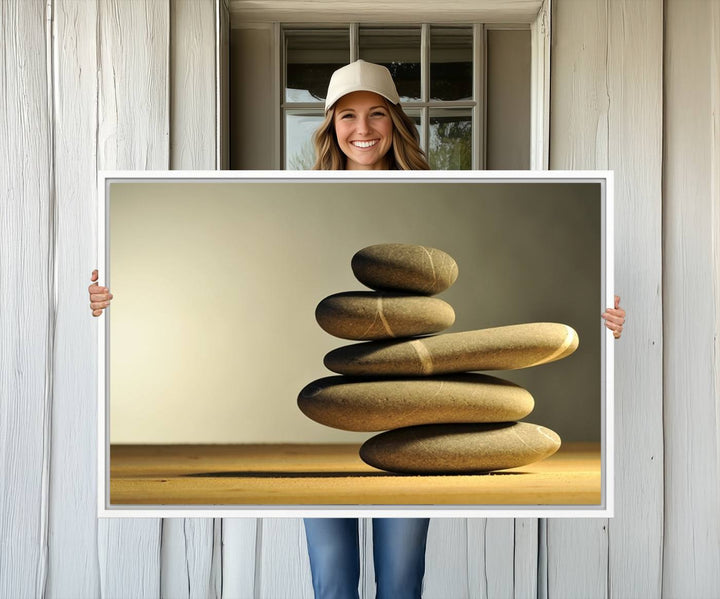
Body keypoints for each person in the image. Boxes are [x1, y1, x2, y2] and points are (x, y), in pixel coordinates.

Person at [88, 59, 626, 599]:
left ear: (396, 121)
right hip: (312, 444)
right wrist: (105, 300)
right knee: (332, 580)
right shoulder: (290, 192)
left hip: (408, 433)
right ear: (329, 126)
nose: (362, 130)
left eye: (376, 115)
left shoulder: (442, 188)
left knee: (400, 580)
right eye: (347, 116)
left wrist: (612, 320)